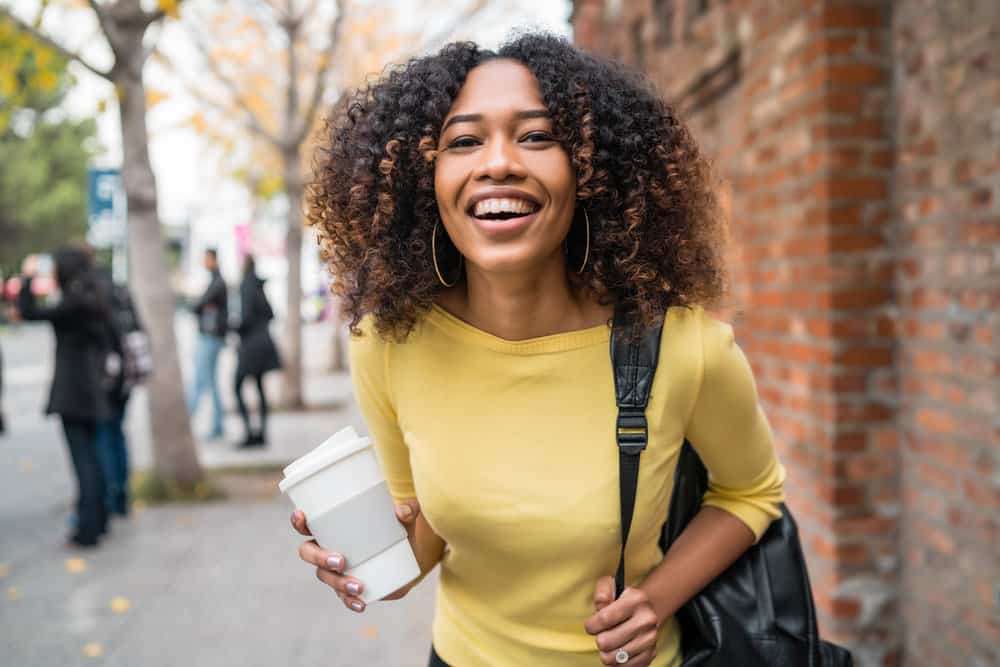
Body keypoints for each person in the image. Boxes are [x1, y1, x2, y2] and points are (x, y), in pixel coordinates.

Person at [291, 34, 786, 667]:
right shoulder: (389, 345)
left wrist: (657, 599)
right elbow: (423, 540)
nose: (497, 163)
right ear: (425, 181)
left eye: (536, 137)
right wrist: (355, 560)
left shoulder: (683, 348)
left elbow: (750, 492)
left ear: (590, 171)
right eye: (464, 141)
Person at [15, 248, 112, 547]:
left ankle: (88, 528)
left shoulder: (72, 302)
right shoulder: (94, 297)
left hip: (73, 390)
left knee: (83, 461)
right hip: (94, 388)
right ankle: (99, 519)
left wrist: (28, 277)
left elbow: (28, 311)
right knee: (93, 458)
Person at [94, 270, 144, 516]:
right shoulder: (121, 293)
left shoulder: (96, 298)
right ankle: (122, 494)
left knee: (104, 435)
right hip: (127, 378)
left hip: (106, 382)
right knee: (118, 434)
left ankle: (111, 495)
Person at [232, 255, 281, 448]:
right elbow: (271, 313)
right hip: (264, 342)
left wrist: (234, 327)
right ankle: (261, 433)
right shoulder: (259, 285)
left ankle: (249, 432)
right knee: (260, 388)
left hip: (251, 345)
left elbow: (245, 317)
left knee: (236, 386)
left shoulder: (246, 286)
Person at [188, 248, 228, 439]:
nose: (203, 263)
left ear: (213, 259)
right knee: (209, 382)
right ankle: (217, 425)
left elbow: (198, 305)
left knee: (203, 381)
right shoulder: (215, 281)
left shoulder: (217, 282)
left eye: (206, 259)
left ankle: (196, 421)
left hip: (210, 338)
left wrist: (199, 304)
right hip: (211, 337)